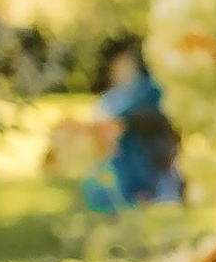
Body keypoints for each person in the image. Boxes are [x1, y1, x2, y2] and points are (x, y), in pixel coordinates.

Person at [79, 35, 184, 215]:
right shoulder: (110, 99)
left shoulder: (150, 89)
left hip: (151, 155)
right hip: (123, 161)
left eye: (126, 62)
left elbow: (167, 119)